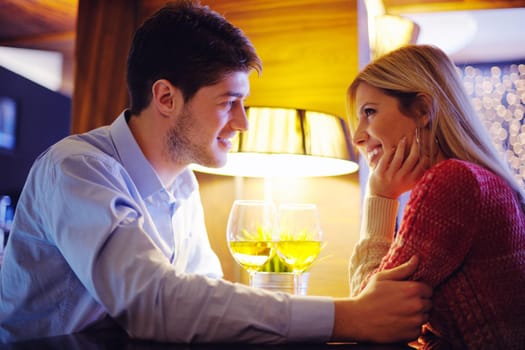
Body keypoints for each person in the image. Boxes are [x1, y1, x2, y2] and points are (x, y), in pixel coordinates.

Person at [0, 1, 432, 344]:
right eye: (229, 102)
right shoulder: (77, 169)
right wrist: (348, 317)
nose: (243, 123)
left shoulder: (183, 183)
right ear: (166, 97)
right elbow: (154, 302)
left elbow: (200, 299)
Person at [346, 44, 525, 349]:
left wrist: (379, 197)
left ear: (422, 110)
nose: (357, 136)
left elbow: (370, 315)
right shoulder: (482, 182)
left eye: (370, 112)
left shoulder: (453, 181)